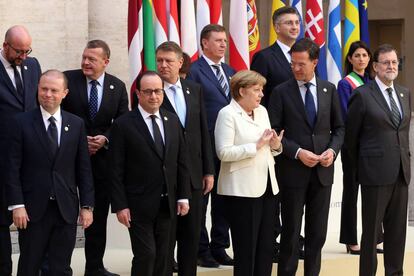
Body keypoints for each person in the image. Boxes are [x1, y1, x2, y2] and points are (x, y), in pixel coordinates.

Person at [6, 70, 95, 276]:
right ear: (37, 89)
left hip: (65, 209)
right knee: (29, 265)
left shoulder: (76, 124)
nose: (48, 94)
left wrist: (87, 206)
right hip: (32, 211)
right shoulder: (21, 123)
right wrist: (17, 205)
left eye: (54, 90)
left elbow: (83, 168)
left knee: (60, 267)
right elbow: (12, 168)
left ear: (64, 93)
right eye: (44, 89)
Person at [268, 38, 344, 276]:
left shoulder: (328, 89)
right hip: (292, 172)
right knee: (290, 231)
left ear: (315, 63)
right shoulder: (281, 91)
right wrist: (298, 153)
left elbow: (340, 128)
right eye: (293, 64)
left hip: (322, 173)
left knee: (317, 233)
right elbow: (274, 131)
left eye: (301, 64)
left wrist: (332, 151)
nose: (296, 68)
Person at [108, 71, 191, 276]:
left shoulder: (172, 120)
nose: (154, 96)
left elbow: (180, 162)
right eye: (148, 92)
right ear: (138, 94)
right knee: (147, 254)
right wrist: (120, 205)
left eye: (158, 91)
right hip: (138, 205)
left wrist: (183, 196)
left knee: (164, 256)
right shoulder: (123, 124)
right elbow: (115, 169)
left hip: (168, 203)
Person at [62, 39, 128, 276]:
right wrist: (80, 141)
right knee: (65, 216)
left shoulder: (117, 87)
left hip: (101, 163)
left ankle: (95, 267)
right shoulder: (67, 79)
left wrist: (105, 139)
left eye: (92, 59)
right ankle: (59, 267)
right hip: (68, 159)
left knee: (97, 219)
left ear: (106, 62)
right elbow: (58, 114)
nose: (85, 62)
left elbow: (122, 123)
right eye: (84, 57)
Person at [345, 44, 411, 276]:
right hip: (374, 175)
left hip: (401, 173)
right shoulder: (362, 95)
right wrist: (358, 172)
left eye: (394, 62)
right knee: (372, 235)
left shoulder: (404, 93)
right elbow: (351, 140)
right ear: (375, 67)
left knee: (397, 233)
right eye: (386, 62)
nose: (391, 66)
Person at [214, 70, 283, 276]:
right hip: (242, 191)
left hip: (268, 186)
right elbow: (223, 152)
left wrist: (276, 145)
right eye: (256, 90)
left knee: (266, 246)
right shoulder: (227, 114)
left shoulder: (262, 111)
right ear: (242, 91)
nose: (261, 94)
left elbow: (269, 147)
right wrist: (255, 145)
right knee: (246, 249)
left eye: (261, 89)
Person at [156, 41, 215, 276]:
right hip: (165, 178)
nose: (163, 65)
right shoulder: (151, 90)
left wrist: (209, 170)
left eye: (168, 61)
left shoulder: (194, 89)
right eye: (159, 60)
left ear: (180, 62)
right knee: (166, 240)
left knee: (191, 237)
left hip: (193, 176)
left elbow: (202, 132)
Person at [250, 6, 304, 260]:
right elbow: (256, 97)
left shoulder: (305, 53)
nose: (294, 26)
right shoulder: (265, 57)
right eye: (289, 23)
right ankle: (269, 245)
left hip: (300, 137)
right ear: (276, 27)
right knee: (274, 193)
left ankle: (293, 243)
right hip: (272, 137)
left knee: (295, 196)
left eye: (297, 22)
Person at [187, 23, 235, 268]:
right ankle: (200, 249)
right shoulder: (194, 71)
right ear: (204, 43)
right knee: (203, 199)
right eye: (218, 41)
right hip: (205, 144)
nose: (223, 45)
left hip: (228, 145)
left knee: (224, 199)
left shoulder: (230, 70)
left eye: (225, 41)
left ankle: (219, 246)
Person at [0, 25, 41, 276]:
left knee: (33, 224)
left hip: (31, 160)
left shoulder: (33, 65)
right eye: (19, 51)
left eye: (28, 50)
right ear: (5, 46)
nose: (24, 56)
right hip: (3, 159)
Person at [337, 41, 384, 255]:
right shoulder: (345, 84)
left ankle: (374, 238)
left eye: (365, 55)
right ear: (350, 59)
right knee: (351, 192)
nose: (361, 59)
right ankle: (350, 239)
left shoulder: (374, 82)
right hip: (353, 145)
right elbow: (348, 116)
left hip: (373, 146)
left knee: (374, 193)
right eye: (357, 55)